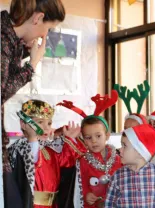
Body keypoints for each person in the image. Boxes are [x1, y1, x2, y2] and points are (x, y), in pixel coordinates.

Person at [1, 1, 65, 206]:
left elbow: (6, 76)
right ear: (37, 18)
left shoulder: (8, 38)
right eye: (48, 29)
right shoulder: (2, 38)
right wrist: (32, 66)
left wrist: (27, 53)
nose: (45, 36)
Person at [8, 99, 85, 208]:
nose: (46, 127)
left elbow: (68, 162)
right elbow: (31, 160)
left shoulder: (51, 148)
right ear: (24, 124)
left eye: (49, 123)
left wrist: (70, 139)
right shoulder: (19, 149)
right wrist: (32, 137)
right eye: (40, 122)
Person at [105, 124, 155, 207]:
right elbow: (109, 202)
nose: (120, 149)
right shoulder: (117, 175)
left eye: (124, 146)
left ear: (140, 152)